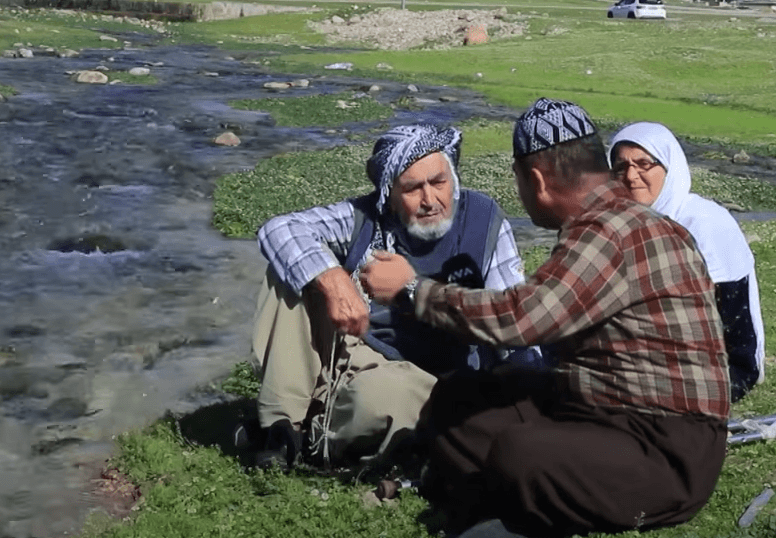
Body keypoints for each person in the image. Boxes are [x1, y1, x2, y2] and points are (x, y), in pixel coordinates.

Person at [360, 99, 730, 537]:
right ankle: (506, 502)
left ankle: (507, 506)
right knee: (457, 402)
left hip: (666, 450)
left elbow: (522, 319)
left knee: (520, 451)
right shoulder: (624, 222)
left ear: (535, 180)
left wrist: (411, 289)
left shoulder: (607, 231)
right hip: (602, 411)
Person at [250, 124, 526, 469]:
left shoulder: (484, 221)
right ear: (390, 195)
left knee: (391, 399)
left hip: (429, 376)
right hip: (354, 353)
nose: (430, 201)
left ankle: (315, 434)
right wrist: (333, 278)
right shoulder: (366, 217)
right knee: (290, 268)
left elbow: (511, 320)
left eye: (439, 183)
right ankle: (280, 428)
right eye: (412, 188)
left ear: (453, 179)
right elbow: (279, 229)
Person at [608, 121, 765, 403]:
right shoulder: (618, 224)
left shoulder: (706, 224)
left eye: (644, 164)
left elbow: (735, 324)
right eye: (621, 166)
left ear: (669, 167)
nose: (631, 176)